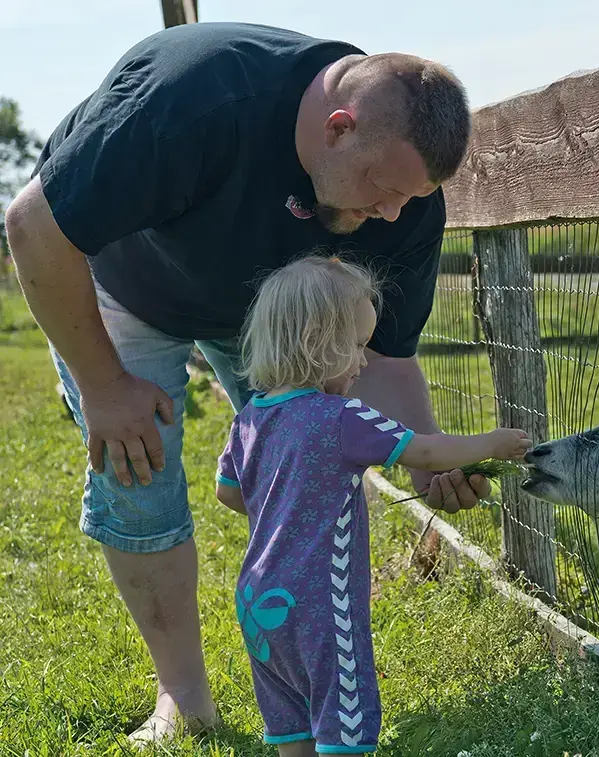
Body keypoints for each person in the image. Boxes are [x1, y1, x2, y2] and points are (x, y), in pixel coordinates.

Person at [2, 20, 494, 745]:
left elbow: (386, 357)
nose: (392, 214)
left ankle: (309, 663)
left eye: (409, 198)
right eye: (382, 190)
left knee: (309, 452)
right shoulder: (191, 99)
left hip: (271, 311)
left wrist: (427, 456)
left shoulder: (405, 197)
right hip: (124, 283)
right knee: (138, 473)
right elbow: (34, 227)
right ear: (338, 128)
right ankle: (183, 697)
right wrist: (104, 387)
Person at [215, 255, 530, 755]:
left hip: (258, 602)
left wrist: (286, 505)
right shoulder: (342, 416)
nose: (364, 362)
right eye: (359, 345)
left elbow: (229, 492)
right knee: (343, 725)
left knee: (291, 724)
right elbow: (425, 451)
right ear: (317, 341)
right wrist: (491, 443)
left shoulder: (250, 418)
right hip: (322, 604)